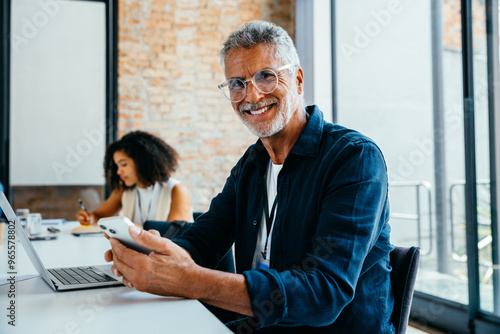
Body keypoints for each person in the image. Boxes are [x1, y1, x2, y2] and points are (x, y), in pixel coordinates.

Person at [105, 21, 394, 333]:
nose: (252, 96)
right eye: (237, 84)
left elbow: (323, 294)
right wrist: (157, 256)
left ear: (297, 80)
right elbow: (206, 237)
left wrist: (188, 280)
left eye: (266, 76)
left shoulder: (354, 158)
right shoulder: (252, 163)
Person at [76, 131, 192, 226]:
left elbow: (176, 235)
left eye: (124, 165)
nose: (118, 171)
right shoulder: (125, 189)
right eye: (117, 166)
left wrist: (136, 230)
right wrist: (88, 218)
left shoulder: (177, 190)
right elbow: (98, 216)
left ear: (142, 162)